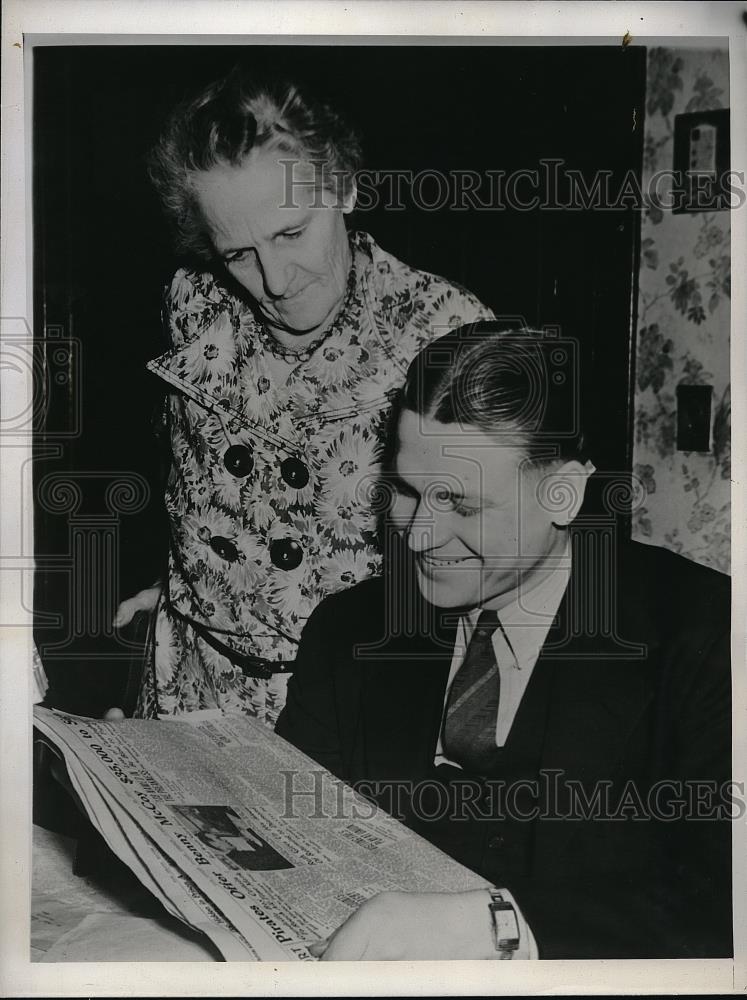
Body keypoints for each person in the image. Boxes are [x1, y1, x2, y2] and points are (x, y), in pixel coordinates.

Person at [276, 323, 732, 960]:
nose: (419, 536)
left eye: (461, 505)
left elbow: (719, 906)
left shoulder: (708, 637)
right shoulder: (349, 628)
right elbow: (285, 830)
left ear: (563, 493)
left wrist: (496, 928)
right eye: (409, 491)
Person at [112, 71, 492, 725]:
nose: (276, 281)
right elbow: (209, 477)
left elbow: (493, 548)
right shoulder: (192, 301)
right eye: (238, 252)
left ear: (342, 184)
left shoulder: (445, 329)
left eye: (291, 234)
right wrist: (190, 586)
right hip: (189, 685)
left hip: (354, 704)